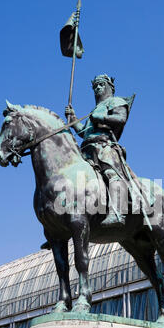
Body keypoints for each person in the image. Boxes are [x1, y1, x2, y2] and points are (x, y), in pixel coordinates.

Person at [65, 74, 135, 227]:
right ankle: (60, 223)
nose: (97, 88)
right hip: (86, 149)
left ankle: (118, 212)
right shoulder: (95, 109)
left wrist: (102, 117)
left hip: (105, 146)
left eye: (101, 85)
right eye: (95, 86)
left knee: (110, 172)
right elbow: (85, 132)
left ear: (110, 87)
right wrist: (73, 119)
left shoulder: (116, 101)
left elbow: (121, 119)